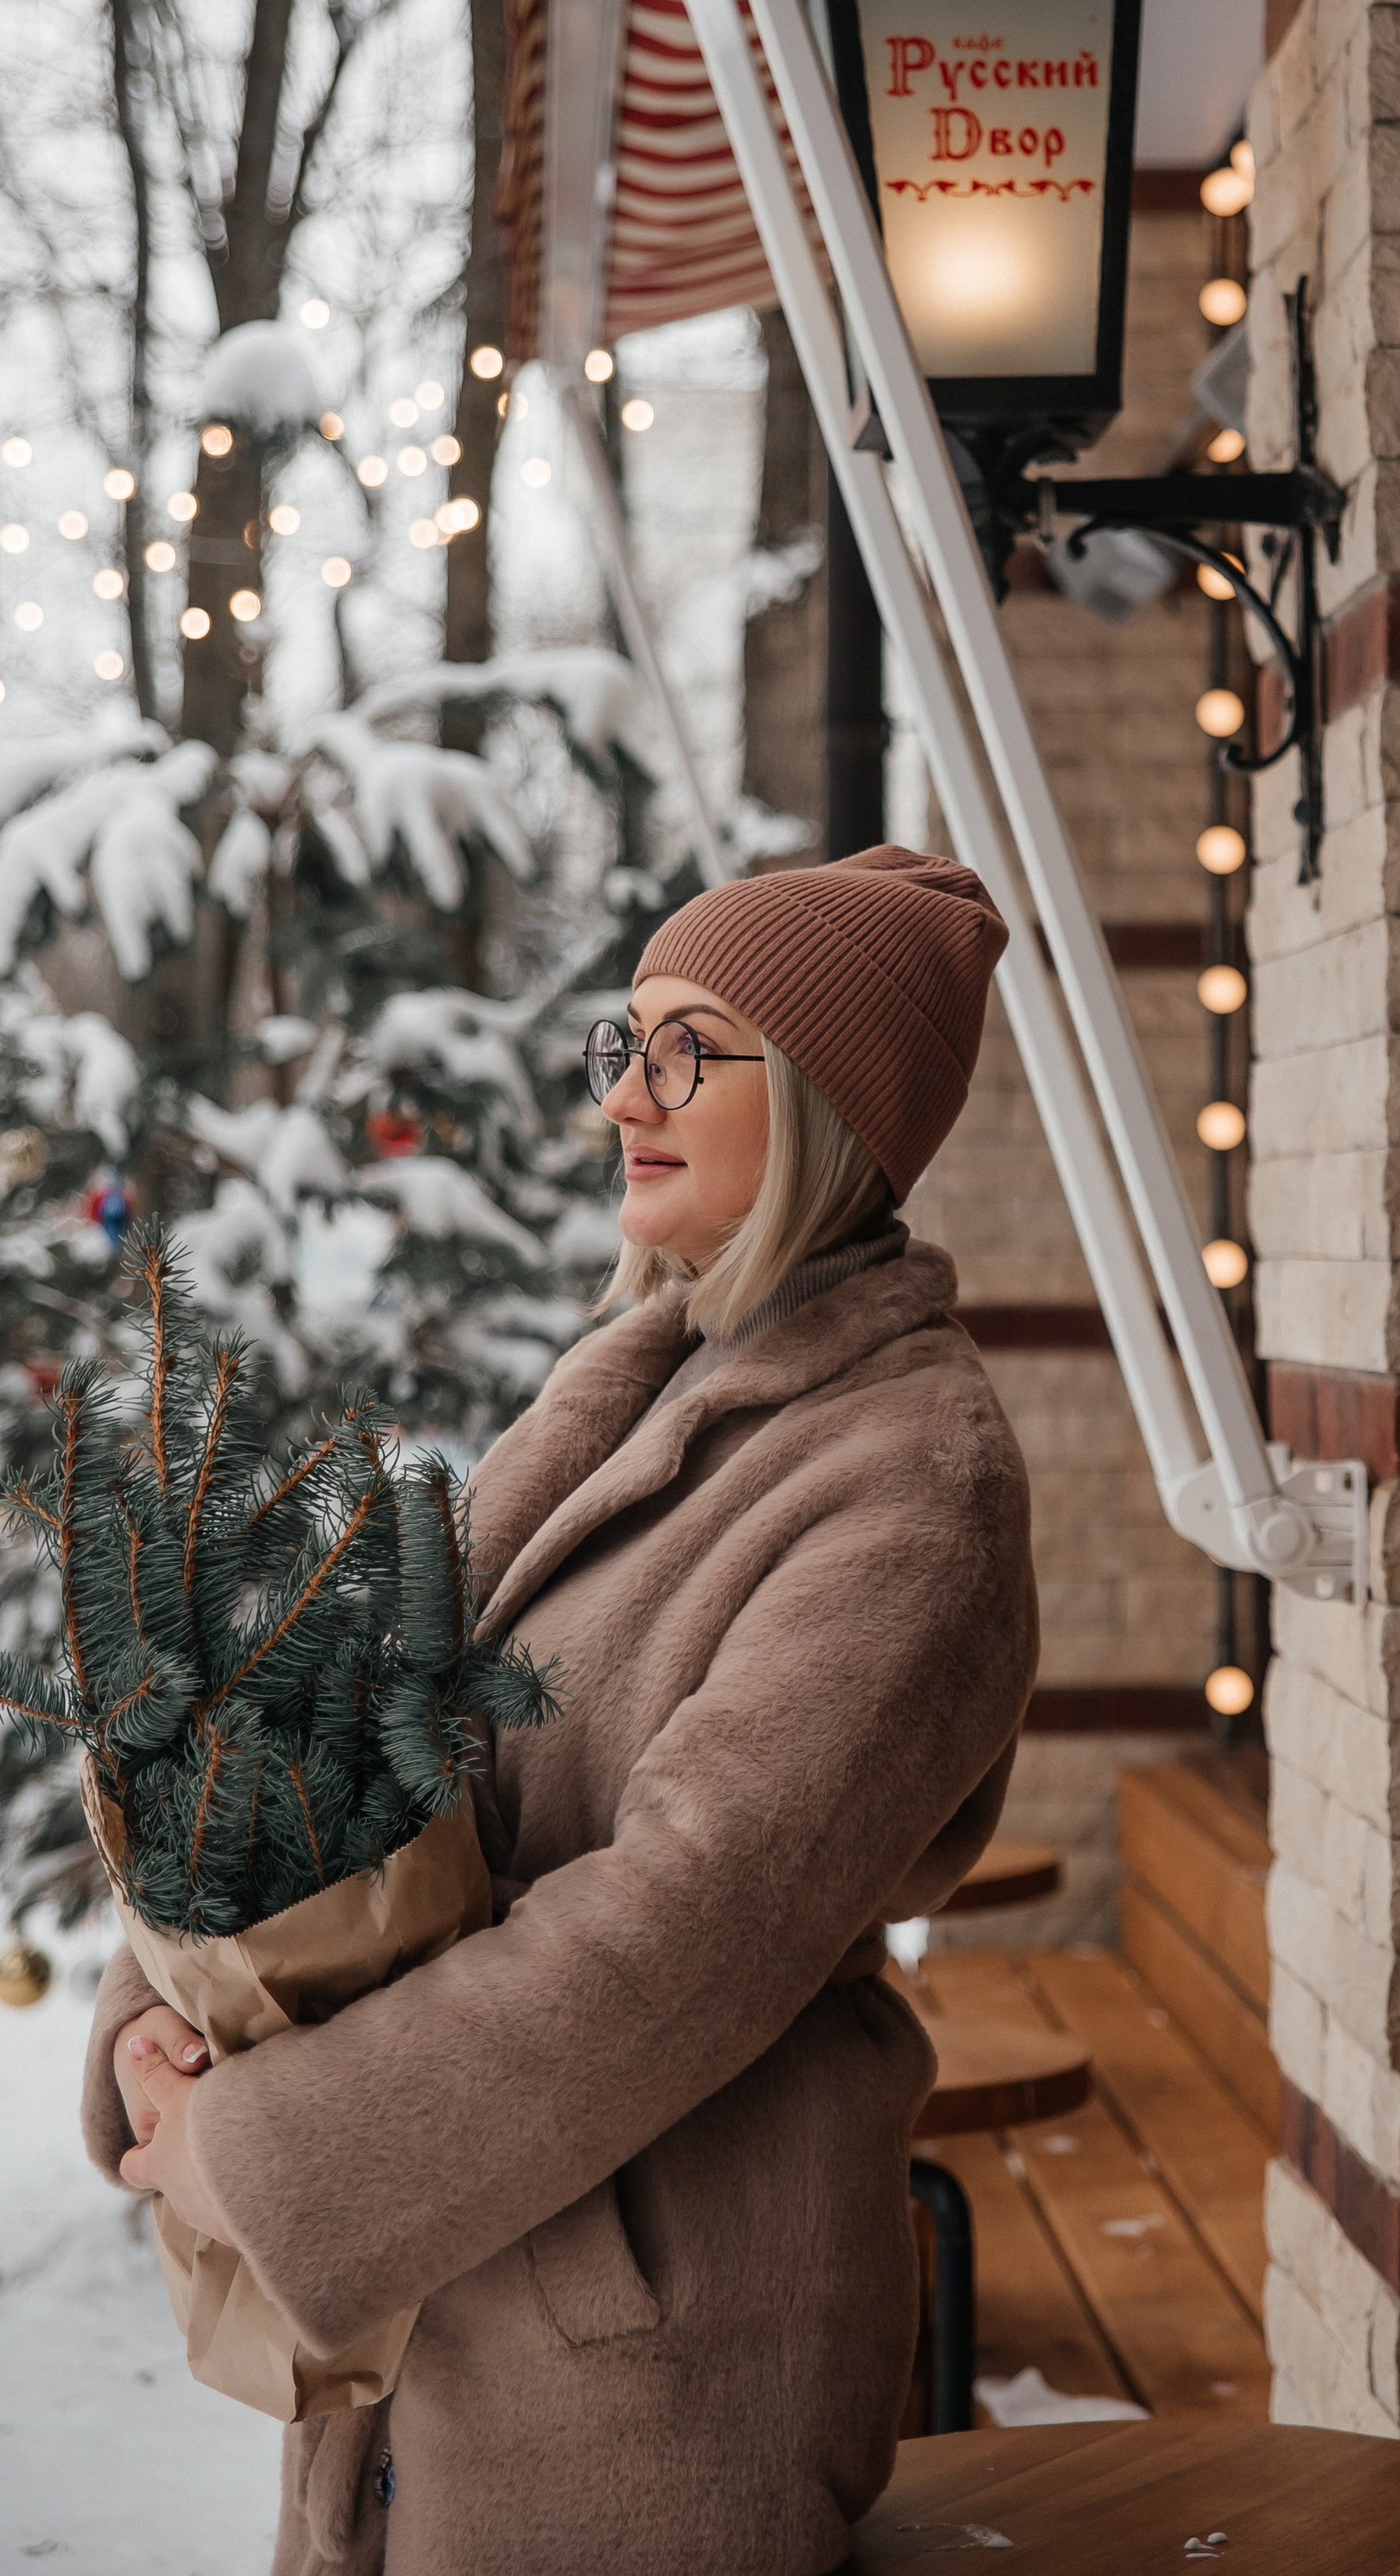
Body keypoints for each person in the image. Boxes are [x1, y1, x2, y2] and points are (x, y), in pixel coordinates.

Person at [83, 845, 1040, 2576]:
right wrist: (159, 2018)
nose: (625, 1098)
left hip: (642, 2384)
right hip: (435, 2320)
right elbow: (348, 1748)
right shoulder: (621, 1391)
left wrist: (277, 2152)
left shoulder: (912, 1483)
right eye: (625, 1041)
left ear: (826, 1105)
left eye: (690, 1050)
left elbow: (683, 1933)